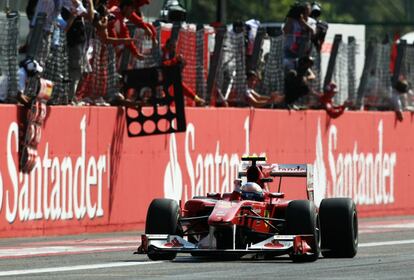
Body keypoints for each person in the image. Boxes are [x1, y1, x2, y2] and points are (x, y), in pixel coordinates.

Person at [161, 39, 206, 106]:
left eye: (174, 47)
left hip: (166, 75)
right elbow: (163, 64)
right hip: (159, 75)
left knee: (179, 84)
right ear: (168, 46)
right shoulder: (161, 51)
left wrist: (181, 61)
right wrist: (175, 60)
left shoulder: (171, 53)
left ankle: (196, 99)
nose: (174, 49)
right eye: (173, 47)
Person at [282, 2, 315, 70]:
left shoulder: (312, 21)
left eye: (307, 10)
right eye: (304, 10)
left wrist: (302, 21)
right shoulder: (293, 21)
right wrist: (290, 18)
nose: (305, 11)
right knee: (289, 68)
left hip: (304, 51)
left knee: (301, 69)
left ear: (310, 11)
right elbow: (285, 31)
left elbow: (312, 32)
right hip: (290, 49)